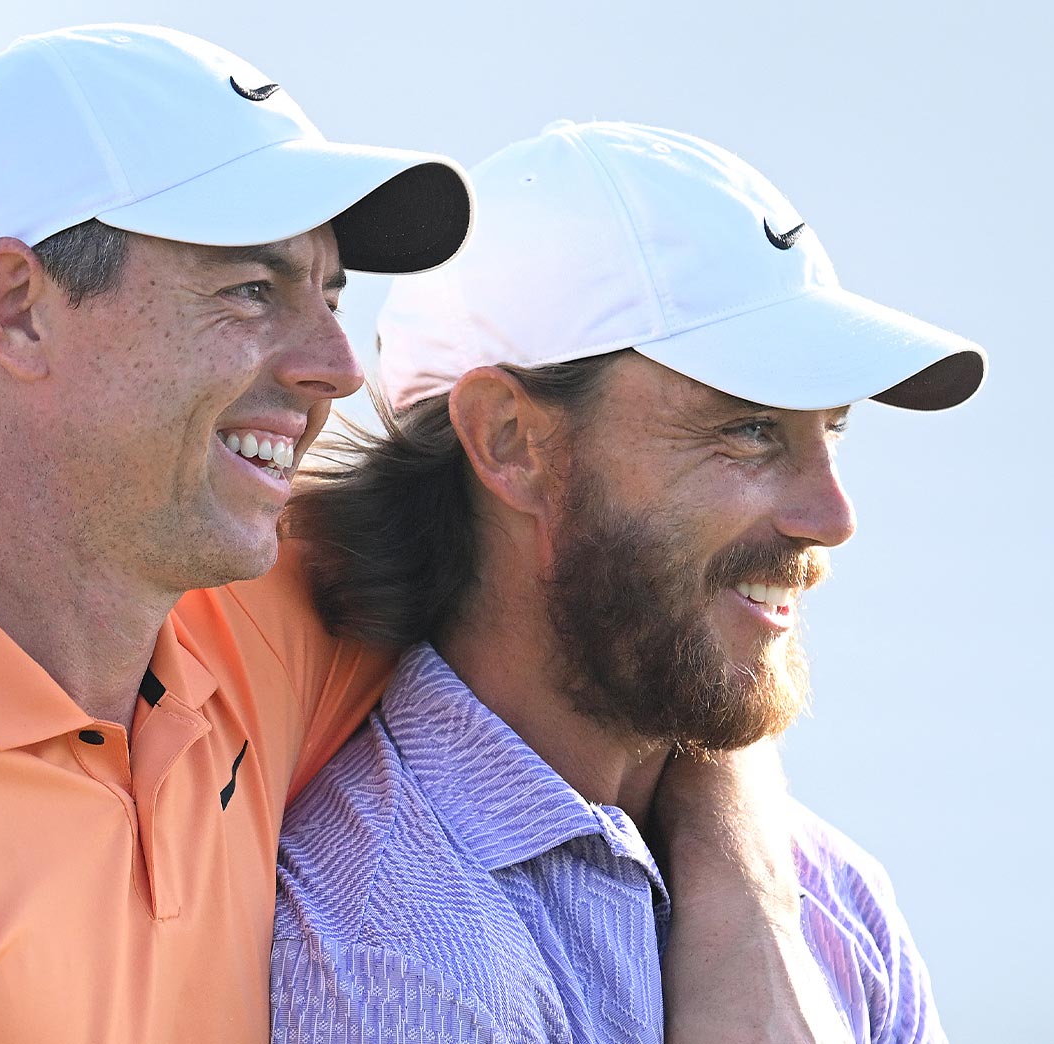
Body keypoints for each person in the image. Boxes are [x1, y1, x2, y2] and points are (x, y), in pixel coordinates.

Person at [0, 32, 834, 1044]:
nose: (334, 366)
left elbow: (652, 604)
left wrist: (742, 918)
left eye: (332, 294)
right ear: (19, 310)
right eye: (252, 290)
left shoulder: (262, 609)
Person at [272, 120, 986, 1044]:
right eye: (751, 429)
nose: (833, 516)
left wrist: (751, 890)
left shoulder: (835, 903)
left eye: (832, 430)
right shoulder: (394, 957)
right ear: (510, 441)